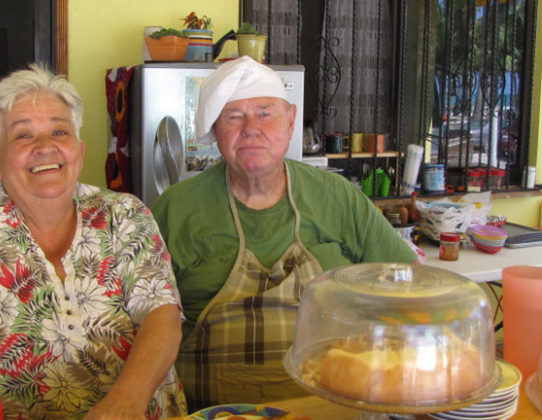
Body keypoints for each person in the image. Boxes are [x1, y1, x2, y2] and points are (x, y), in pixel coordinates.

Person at [0, 64, 187, 420]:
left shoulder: (124, 214)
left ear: (78, 149)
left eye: (59, 131)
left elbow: (161, 313)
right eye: (23, 136)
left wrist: (127, 400)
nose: (46, 147)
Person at [151, 56, 418, 410]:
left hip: (331, 408)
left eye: (265, 113)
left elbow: (407, 288)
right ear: (216, 131)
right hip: (209, 411)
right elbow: (142, 323)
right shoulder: (175, 209)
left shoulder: (337, 196)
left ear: (290, 121)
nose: (251, 128)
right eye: (234, 116)